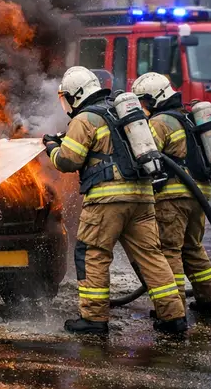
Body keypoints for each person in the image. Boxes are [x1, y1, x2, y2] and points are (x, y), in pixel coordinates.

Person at [44, 66, 188, 335]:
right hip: (143, 198)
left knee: (94, 253)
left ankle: (94, 318)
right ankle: (173, 316)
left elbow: (68, 160)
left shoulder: (85, 118)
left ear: (75, 95)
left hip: (107, 200)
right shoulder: (118, 112)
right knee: (151, 256)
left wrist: (52, 148)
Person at [132, 72, 211, 318]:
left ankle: (175, 307)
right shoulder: (188, 117)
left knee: (169, 250)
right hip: (199, 193)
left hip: (173, 196)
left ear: (155, 98)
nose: (143, 107)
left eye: (144, 101)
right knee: (192, 247)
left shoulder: (160, 122)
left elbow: (146, 155)